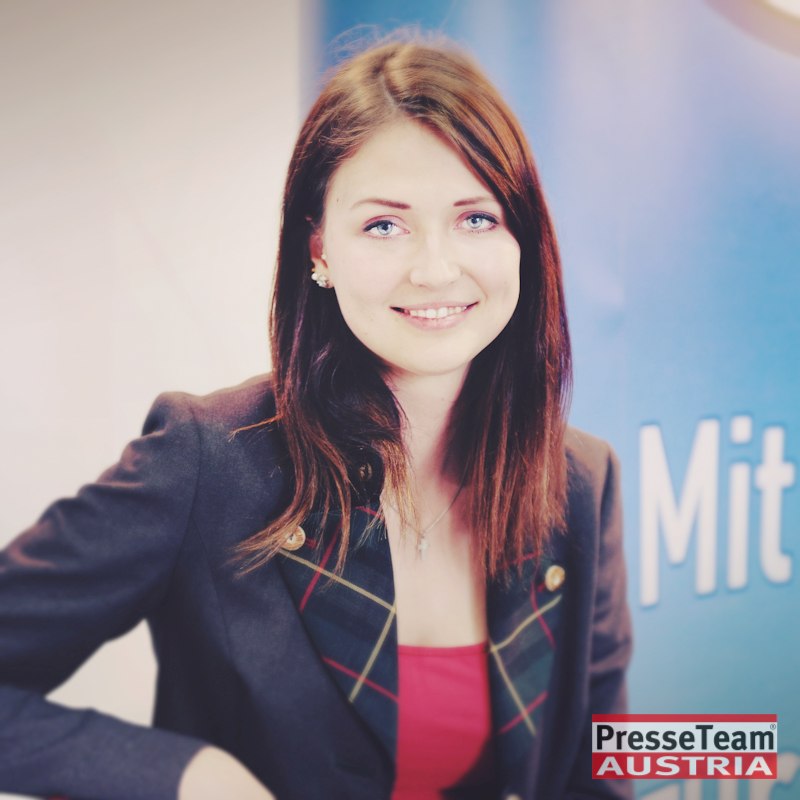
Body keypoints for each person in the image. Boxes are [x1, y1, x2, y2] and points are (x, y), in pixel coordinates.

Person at [0, 35, 632, 800]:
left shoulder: (579, 480)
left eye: (476, 218)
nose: (436, 268)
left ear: (523, 237)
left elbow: (600, 768)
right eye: (384, 225)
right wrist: (189, 775)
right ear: (319, 249)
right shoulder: (209, 460)